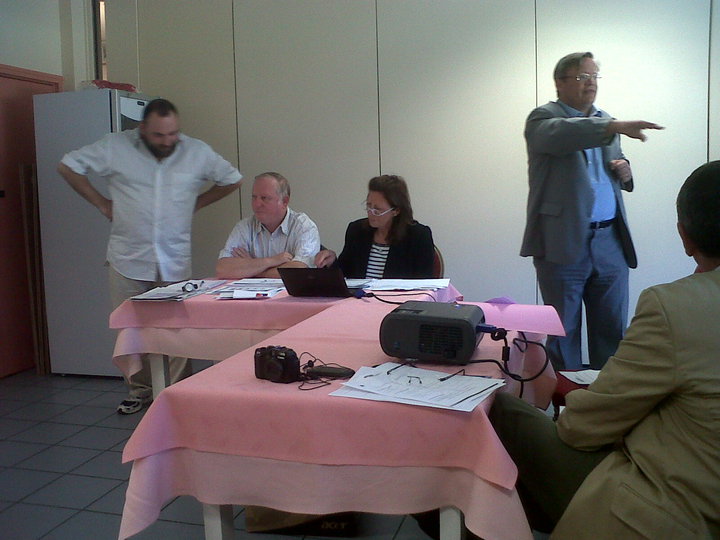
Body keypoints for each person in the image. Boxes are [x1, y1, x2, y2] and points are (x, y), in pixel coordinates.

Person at [491, 161, 720, 539]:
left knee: (500, 409)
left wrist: (578, 402)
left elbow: (581, 428)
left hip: (675, 505)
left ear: (685, 236)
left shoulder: (674, 306)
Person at [58, 98, 242, 414]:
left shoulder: (195, 151)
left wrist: (198, 202)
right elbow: (68, 166)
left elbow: (232, 178)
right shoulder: (115, 147)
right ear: (143, 128)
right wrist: (101, 203)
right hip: (127, 257)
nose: (167, 141)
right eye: (159, 135)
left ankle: (176, 394)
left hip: (173, 258)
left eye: (173, 134)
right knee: (131, 330)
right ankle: (140, 390)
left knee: (179, 332)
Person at [520, 52, 663, 370]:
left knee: (612, 331)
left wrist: (626, 172)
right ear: (559, 83)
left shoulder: (605, 119)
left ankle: (608, 393)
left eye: (595, 76)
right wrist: (613, 126)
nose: (591, 83)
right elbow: (566, 134)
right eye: (582, 77)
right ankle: (565, 395)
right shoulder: (542, 119)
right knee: (563, 333)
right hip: (562, 242)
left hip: (609, 239)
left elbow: (612, 164)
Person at [315, 174, 434, 278]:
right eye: (369, 206)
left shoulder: (419, 236)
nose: (371, 213)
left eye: (377, 210)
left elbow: (425, 283)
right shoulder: (356, 230)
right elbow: (346, 273)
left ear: (396, 211)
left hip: (399, 297)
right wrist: (332, 261)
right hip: (360, 297)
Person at [216, 172, 320, 278]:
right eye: (254, 197)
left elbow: (299, 271)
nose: (257, 204)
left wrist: (252, 269)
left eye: (264, 198)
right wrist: (272, 261)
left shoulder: (303, 226)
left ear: (284, 201)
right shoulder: (244, 227)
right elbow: (223, 269)